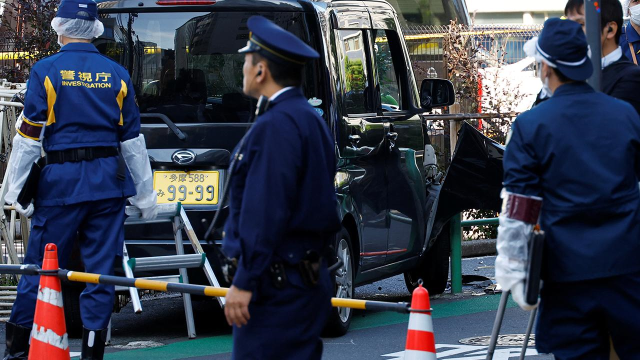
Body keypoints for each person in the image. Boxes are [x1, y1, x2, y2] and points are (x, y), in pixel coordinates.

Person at [2, 0, 158, 358]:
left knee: (39, 268)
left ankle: (16, 351)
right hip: (108, 184)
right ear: (96, 30)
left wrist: (13, 192)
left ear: (59, 27)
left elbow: (28, 138)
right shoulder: (117, 74)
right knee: (101, 272)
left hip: (61, 184)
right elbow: (133, 142)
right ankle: (92, 352)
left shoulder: (46, 70)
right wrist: (145, 197)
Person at [497, 18, 640, 358]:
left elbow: (520, 205)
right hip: (628, 270)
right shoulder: (625, 115)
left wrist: (515, 270)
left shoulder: (531, 125)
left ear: (546, 66)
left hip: (567, 276)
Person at [221, 15, 341, 360]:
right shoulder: (308, 119)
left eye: (246, 60)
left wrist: (244, 281)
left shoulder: (275, 126)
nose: (242, 68)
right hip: (303, 280)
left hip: (276, 287)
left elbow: (265, 213)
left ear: (261, 71)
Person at [565, 0, 640, 114]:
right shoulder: (568, 72)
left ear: (610, 29)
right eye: (568, 24)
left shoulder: (632, 80)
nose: (571, 32)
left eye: (580, 24)